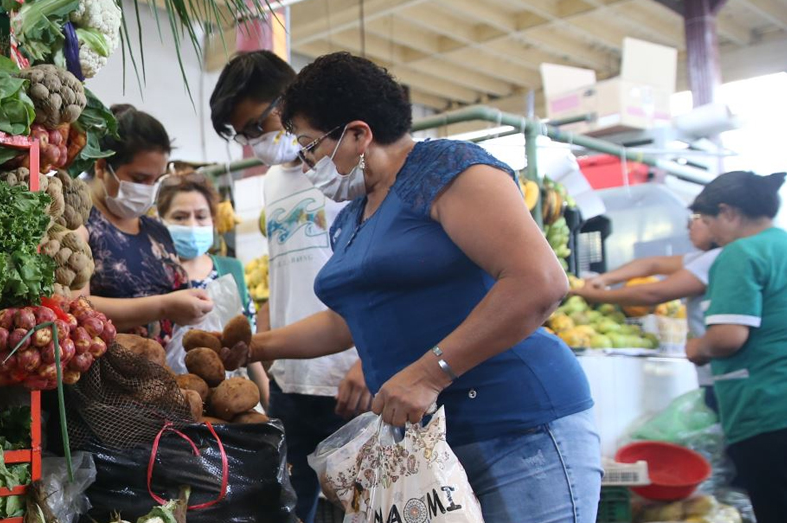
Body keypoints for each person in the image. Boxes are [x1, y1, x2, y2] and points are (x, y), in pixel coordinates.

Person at [222, 52, 601, 522]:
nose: (307, 161)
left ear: (358, 134)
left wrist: (428, 374)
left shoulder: (446, 170)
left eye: (309, 145)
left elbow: (538, 281)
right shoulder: (354, 218)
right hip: (433, 442)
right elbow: (349, 322)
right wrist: (254, 348)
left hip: (517, 427)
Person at [210, 50, 367, 523]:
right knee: (288, 509)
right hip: (291, 381)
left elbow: (385, 277)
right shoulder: (273, 183)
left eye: (257, 125)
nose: (255, 141)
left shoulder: (350, 171)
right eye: (243, 135)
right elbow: (288, 276)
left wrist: (370, 361)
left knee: (369, 507)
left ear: (290, 98)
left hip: (352, 378)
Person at [685, 171, 787, 523]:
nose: (710, 233)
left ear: (728, 212)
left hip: (768, 409)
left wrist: (698, 347)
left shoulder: (741, 253)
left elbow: (728, 337)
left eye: (707, 220)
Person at [75, 105, 213, 346]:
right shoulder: (79, 226)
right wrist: (162, 307)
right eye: (139, 179)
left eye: (156, 180)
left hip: (164, 364)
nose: (149, 189)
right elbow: (77, 307)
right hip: (106, 366)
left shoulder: (157, 231)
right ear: (101, 167)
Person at [571, 213, 722, 411]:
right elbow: (652, 264)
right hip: (716, 373)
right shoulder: (705, 258)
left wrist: (595, 295)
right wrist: (604, 279)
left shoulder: (717, 259)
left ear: (722, 217)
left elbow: (654, 293)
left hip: (721, 372)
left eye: (697, 218)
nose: (689, 226)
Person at [155, 171, 269, 407]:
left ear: (213, 221)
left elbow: (247, 345)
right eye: (180, 217)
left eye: (201, 216)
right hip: (168, 399)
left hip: (230, 396)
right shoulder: (152, 274)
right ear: (161, 221)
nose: (192, 225)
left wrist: (268, 402)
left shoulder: (231, 270)